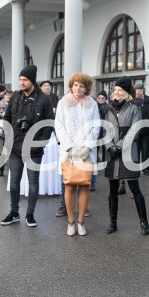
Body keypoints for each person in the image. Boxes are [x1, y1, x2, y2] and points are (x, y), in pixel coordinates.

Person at [1, 64, 55, 227]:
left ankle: (30, 214)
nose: (21, 82)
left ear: (32, 81)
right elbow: (7, 118)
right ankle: (14, 212)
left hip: (34, 148)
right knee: (14, 182)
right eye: (20, 79)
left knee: (33, 182)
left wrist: (41, 144)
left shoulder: (44, 99)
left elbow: (49, 123)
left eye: (24, 80)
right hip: (16, 146)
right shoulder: (15, 97)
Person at [55, 73, 100, 236]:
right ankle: (70, 222)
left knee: (84, 185)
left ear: (86, 88)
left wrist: (88, 146)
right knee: (69, 186)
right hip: (68, 152)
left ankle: (81, 221)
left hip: (87, 152)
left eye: (81, 86)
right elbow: (58, 126)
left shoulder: (92, 104)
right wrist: (69, 147)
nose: (78, 88)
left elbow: (96, 125)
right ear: (71, 86)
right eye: (75, 85)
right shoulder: (63, 103)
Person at [105, 76, 149, 235]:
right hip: (112, 155)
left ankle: (144, 222)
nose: (116, 93)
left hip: (128, 154)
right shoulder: (108, 109)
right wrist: (110, 146)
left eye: (120, 90)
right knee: (112, 191)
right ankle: (113, 222)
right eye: (115, 90)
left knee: (135, 189)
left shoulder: (134, 109)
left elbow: (135, 131)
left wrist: (119, 146)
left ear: (127, 94)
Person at [134, 83, 149, 176]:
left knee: (146, 151)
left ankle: (146, 169)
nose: (134, 92)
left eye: (136, 90)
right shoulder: (132, 101)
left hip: (147, 131)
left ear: (141, 90)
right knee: (135, 151)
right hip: (135, 131)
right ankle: (136, 169)